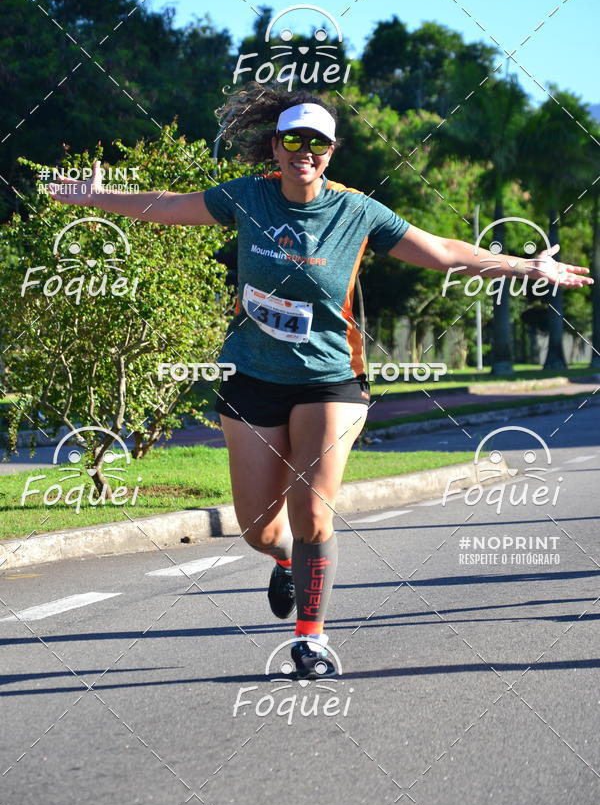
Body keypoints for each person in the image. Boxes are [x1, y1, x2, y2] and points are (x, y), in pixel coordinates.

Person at [48, 84, 593, 679]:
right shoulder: (247, 197)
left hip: (332, 379)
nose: (303, 151)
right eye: (292, 140)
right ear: (275, 148)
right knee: (261, 531)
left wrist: (526, 266)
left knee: (312, 515)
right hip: (253, 376)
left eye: (317, 142)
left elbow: (441, 252)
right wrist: (98, 198)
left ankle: (311, 639)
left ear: (330, 152)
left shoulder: (357, 211)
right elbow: (167, 205)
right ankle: (286, 564)